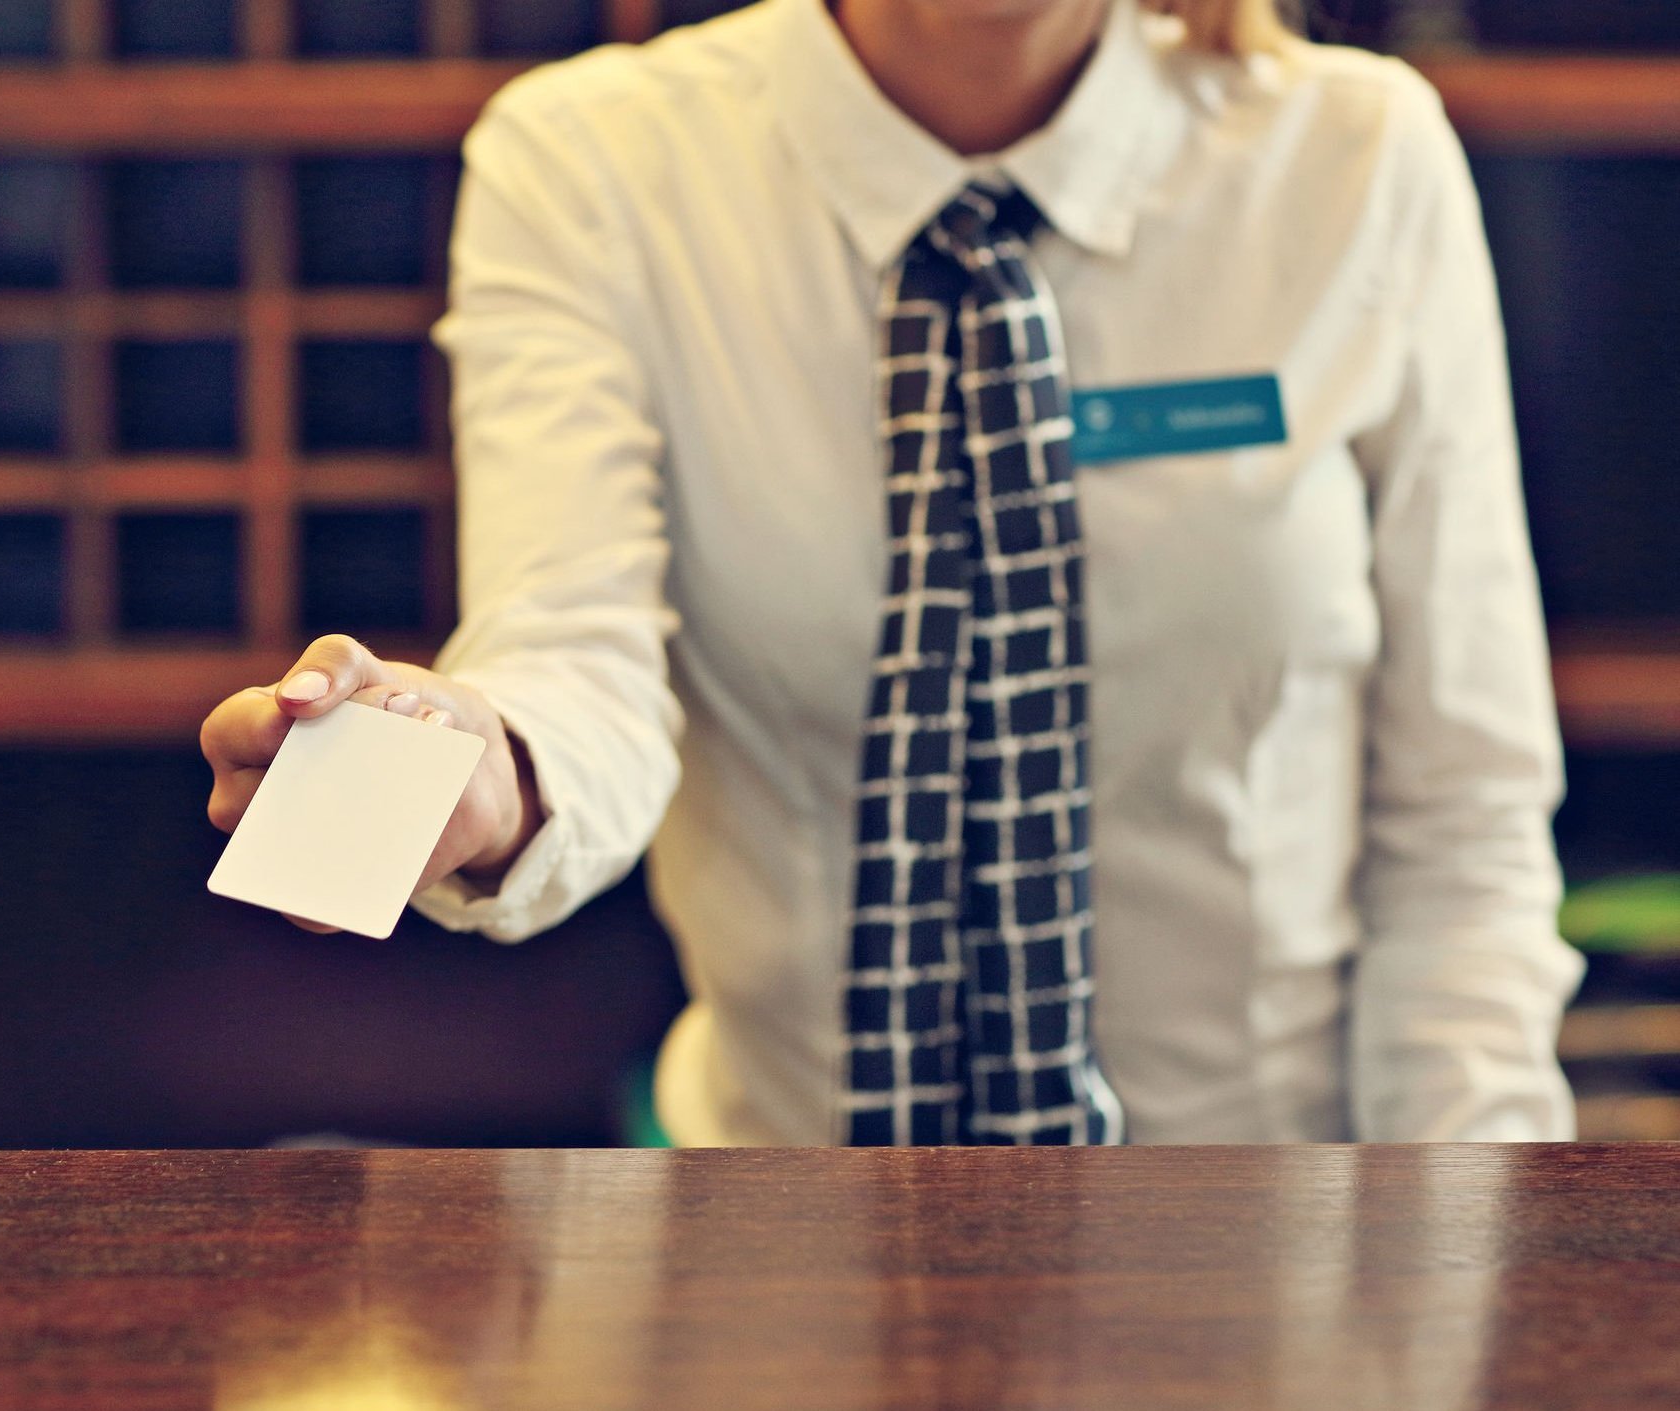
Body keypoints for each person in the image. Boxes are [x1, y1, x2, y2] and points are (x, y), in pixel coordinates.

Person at [199, 0, 1582, 1144]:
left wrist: (1463, 1269)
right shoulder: (593, 163)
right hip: (782, 1237)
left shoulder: (1356, 156)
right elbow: (576, 653)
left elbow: (1462, 812)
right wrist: (477, 766)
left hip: (1277, 1229)